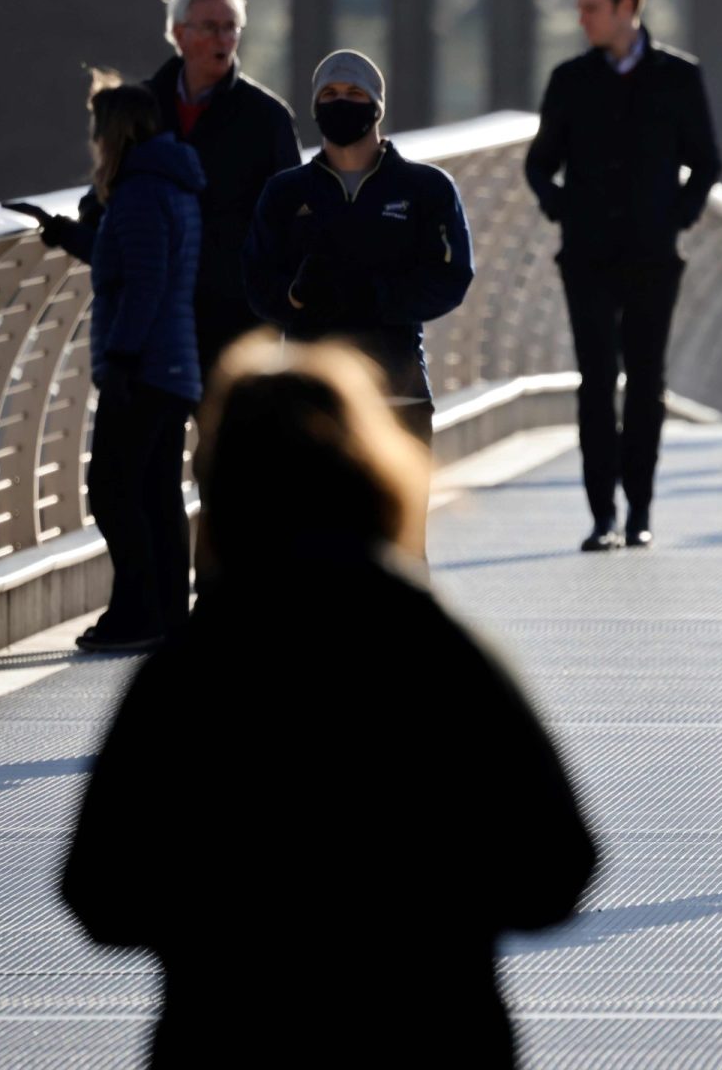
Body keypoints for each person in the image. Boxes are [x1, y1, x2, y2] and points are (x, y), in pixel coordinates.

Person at [61, 336, 597, 1068]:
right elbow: (556, 866)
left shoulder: (191, 670)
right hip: (433, 1029)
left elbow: (101, 890)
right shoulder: (441, 652)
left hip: (226, 1034)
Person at [21, 0, 299, 387]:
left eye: (231, 27)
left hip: (239, 324)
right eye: (210, 27)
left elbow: (290, 224)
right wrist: (68, 231)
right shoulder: (141, 108)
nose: (223, 38)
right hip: (157, 321)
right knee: (151, 452)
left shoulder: (268, 119)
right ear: (178, 34)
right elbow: (106, 201)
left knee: (230, 452)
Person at [524, 0, 722, 552]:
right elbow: (539, 165)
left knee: (646, 382)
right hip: (584, 258)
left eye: (591, 8)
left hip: (653, 257)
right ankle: (600, 513)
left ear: (627, 8)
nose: (581, 18)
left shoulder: (678, 77)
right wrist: (565, 211)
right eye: (579, 7)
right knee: (595, 380)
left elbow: (707, 163)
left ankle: (639, 508)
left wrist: (674, 220)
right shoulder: (569, 80)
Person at [244, 50, 475, 448]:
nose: (342, 102)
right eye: (329, 94)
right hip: (308, 395)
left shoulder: (425, 188)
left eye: (355, 92)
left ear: (377, 106)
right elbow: (257, 281)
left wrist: (375, 295)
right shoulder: (286, 192)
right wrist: (296, 296)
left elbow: (451, 276)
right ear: (315, 106)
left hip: (397, 390)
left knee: (396, 513)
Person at [65, 72, 203, 652]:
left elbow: (145, 281)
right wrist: (69, 237)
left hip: (146, 368)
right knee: (154, 492)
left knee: (112, 489)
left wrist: (120, 357)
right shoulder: (166, 183)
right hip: (172, 367)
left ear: (113, 133)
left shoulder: (141, 191)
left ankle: (136, 613)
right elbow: (134, 258)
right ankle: (168, 615)